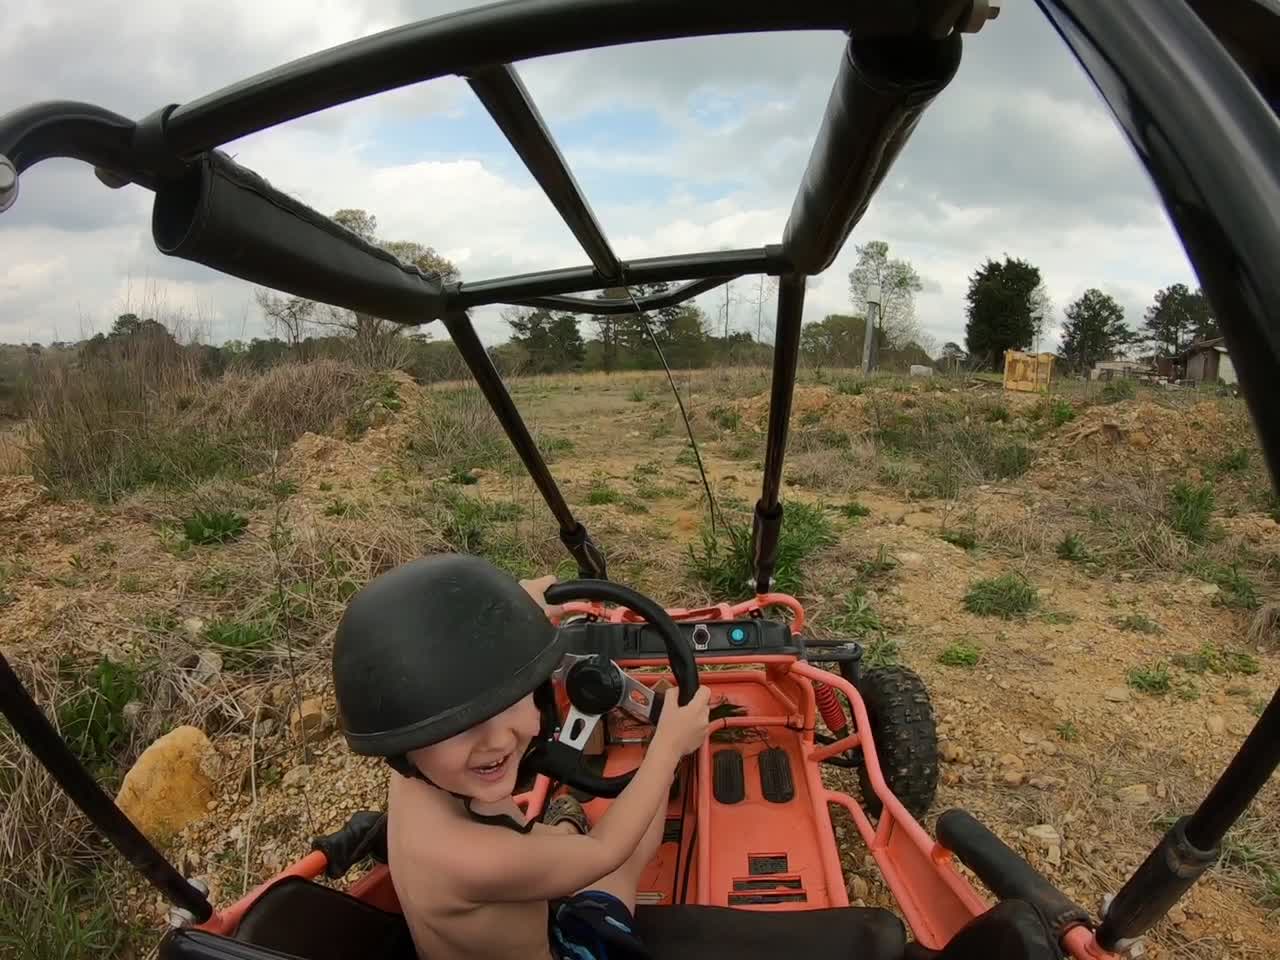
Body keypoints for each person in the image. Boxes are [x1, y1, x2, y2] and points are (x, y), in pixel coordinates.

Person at [332, 553, 711, 960]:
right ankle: (563, 832)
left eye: (512, 701)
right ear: (404, 744)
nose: (497, 742)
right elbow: (606, 848)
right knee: (622, 863)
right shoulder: (471, 860)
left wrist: (511, 613)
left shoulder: (415, 759)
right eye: (461, 727)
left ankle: (560, 831)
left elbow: (443, 657)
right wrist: (668, 746)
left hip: (511, 906)